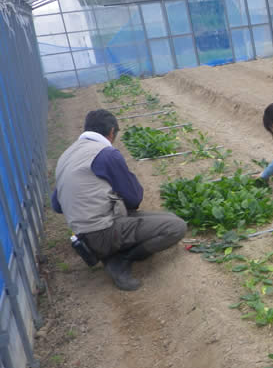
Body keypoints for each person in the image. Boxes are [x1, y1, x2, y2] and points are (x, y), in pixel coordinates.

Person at [51, 109, 186, 291]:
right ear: (112, 132)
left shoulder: (66, 156)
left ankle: (112, 250)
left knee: (167, 217)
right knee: (175, 227)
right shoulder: (106, 154)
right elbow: (134, 198)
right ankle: (121, 258)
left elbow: (57, 205)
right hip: (103, 233)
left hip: (82, 235)